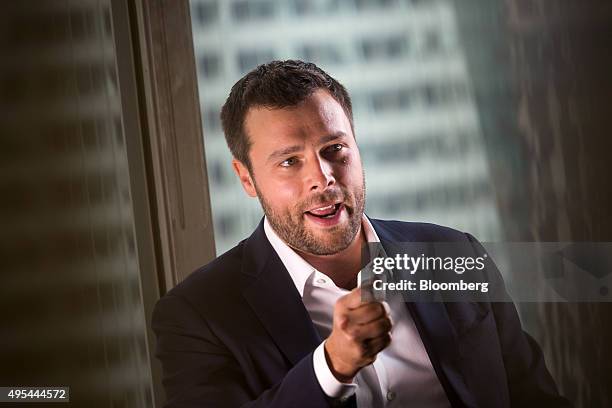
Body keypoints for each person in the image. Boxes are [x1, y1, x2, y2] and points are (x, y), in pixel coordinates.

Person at [151, 60, 570, 407]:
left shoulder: (454, 253)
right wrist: (330, 368)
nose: (323, 178)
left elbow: (534, 396)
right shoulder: (197, 315)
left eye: (335, 149)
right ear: (246, 178)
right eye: (289, 162)